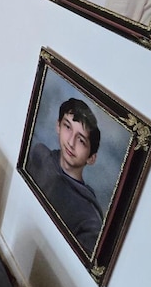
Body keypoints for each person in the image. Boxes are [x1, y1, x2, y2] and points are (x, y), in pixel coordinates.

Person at [28, 97, 103, 254]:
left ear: (91, 158)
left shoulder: (89, 217)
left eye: (81, 140)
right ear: (58, 126)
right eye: (67, 127)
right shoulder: (38, 155)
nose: (71, 142)